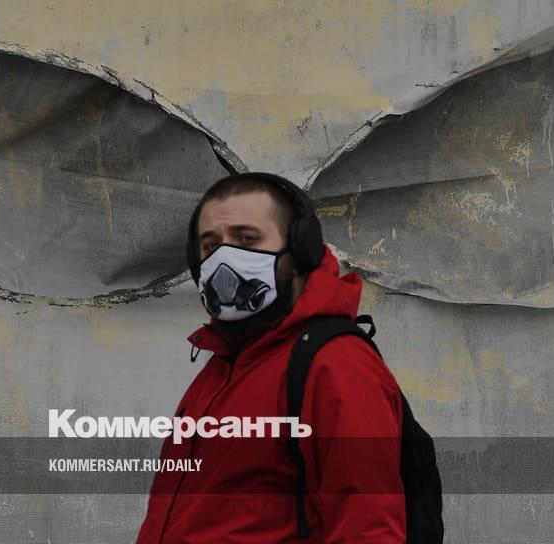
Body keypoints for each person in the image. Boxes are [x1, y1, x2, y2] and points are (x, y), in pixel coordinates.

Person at [135, 172, 406, 543]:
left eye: (247, 239)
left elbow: (368, 530)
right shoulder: (224, 366)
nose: (224, 259)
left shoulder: (336, 364)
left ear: (300, 251)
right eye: (210, 245)